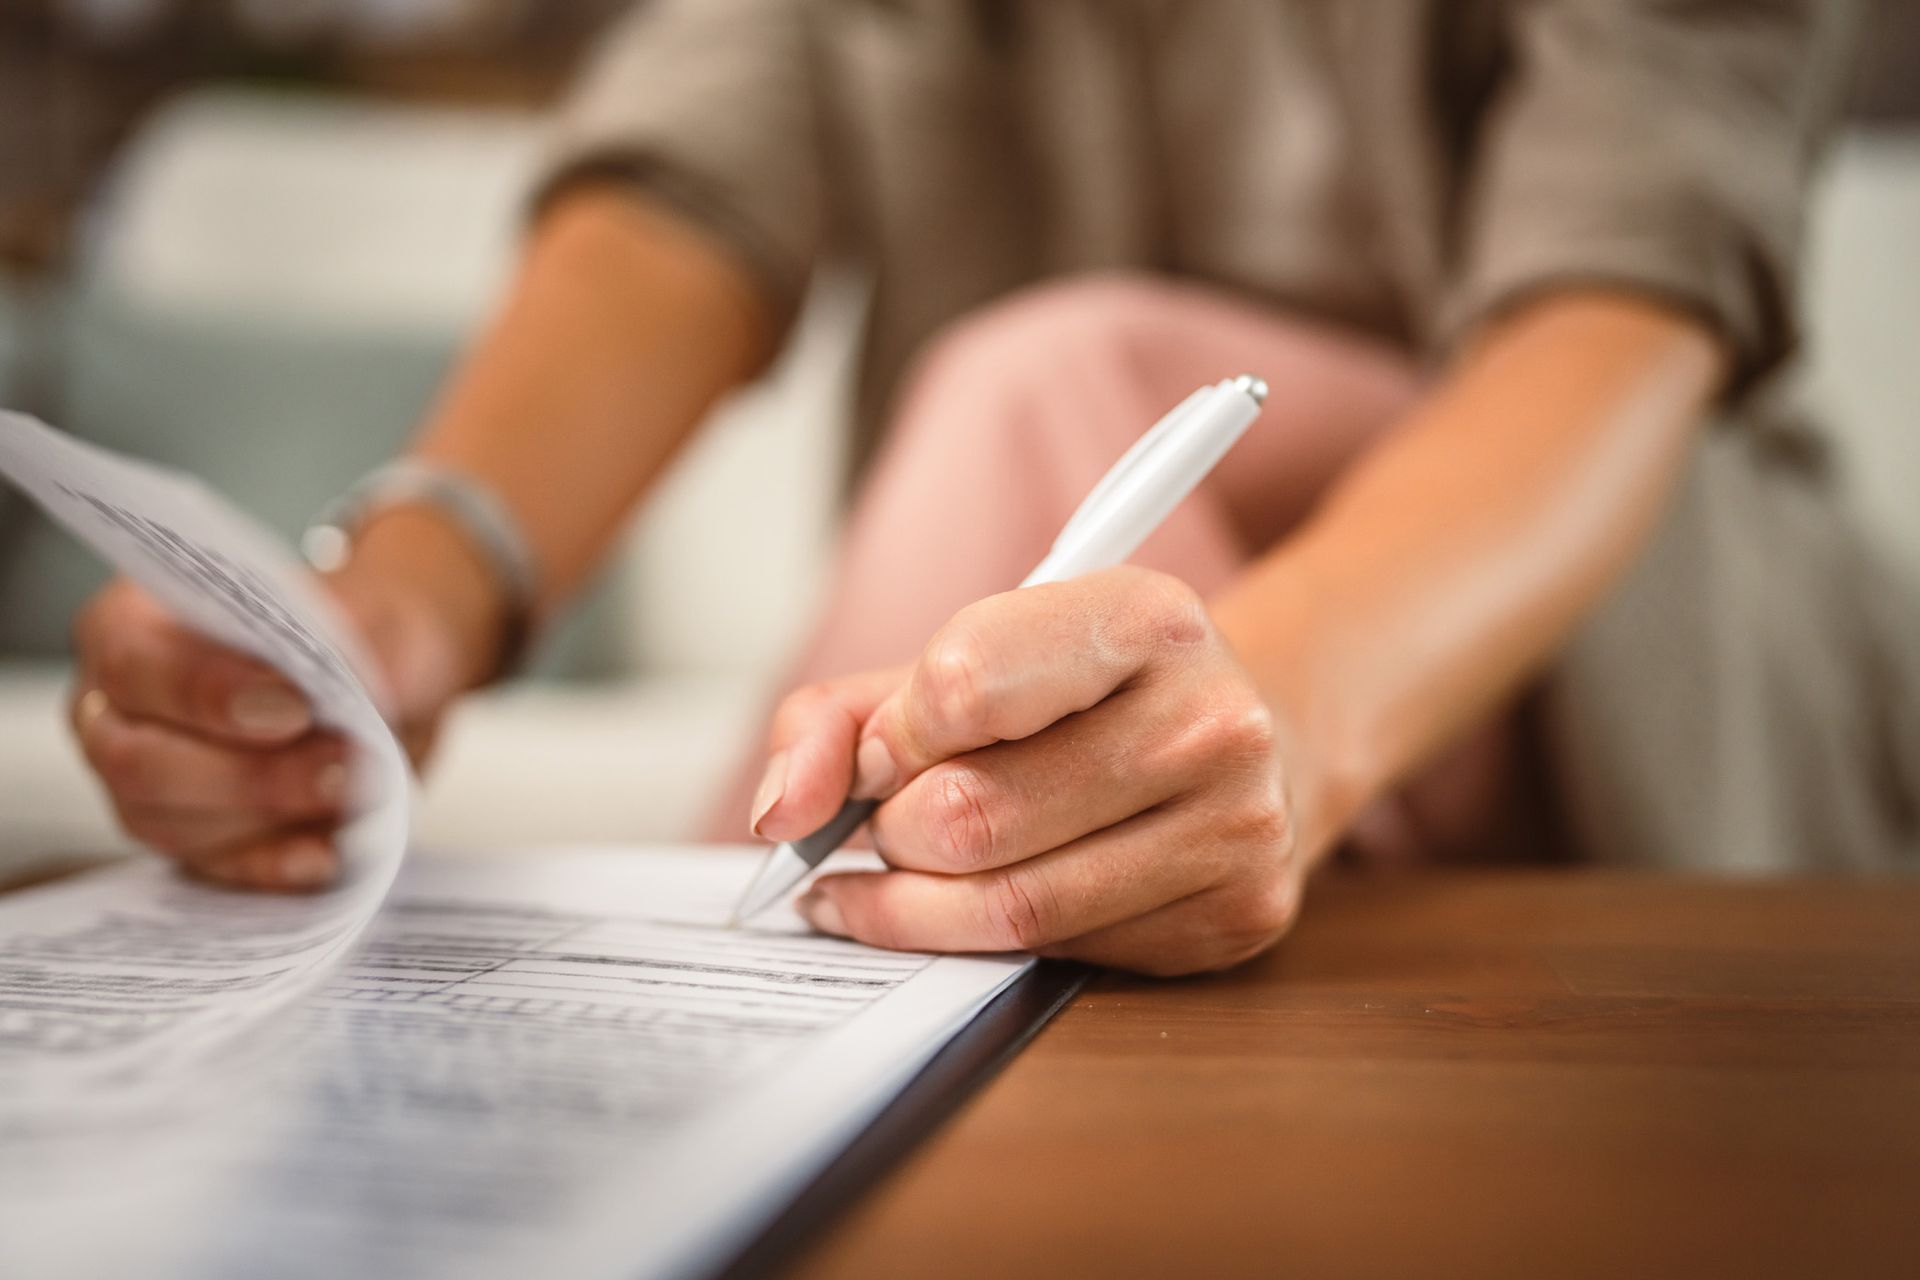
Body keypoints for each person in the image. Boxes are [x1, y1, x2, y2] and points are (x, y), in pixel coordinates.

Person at [65, 1, 1917, 976]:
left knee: (1046, 379)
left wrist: (1265, 708)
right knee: (1038, 408)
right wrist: (408, 597)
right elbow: (687, 181)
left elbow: (1616, 314)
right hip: (1076, 616)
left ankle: (713, 1083)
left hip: (1582, 644)